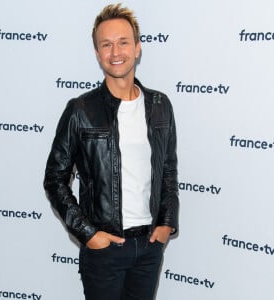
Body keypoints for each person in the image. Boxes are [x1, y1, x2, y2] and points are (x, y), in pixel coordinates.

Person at [44, 3, 179, 300]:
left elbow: (168, 169)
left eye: (123, 42)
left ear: (138, 48)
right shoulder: (81, 110)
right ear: (97, 53)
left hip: (149, 247)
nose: (115, 52)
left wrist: (167, 223)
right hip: (105, 251)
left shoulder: (160, 106)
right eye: (106, 44)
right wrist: (88, 234)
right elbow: (55, 179)